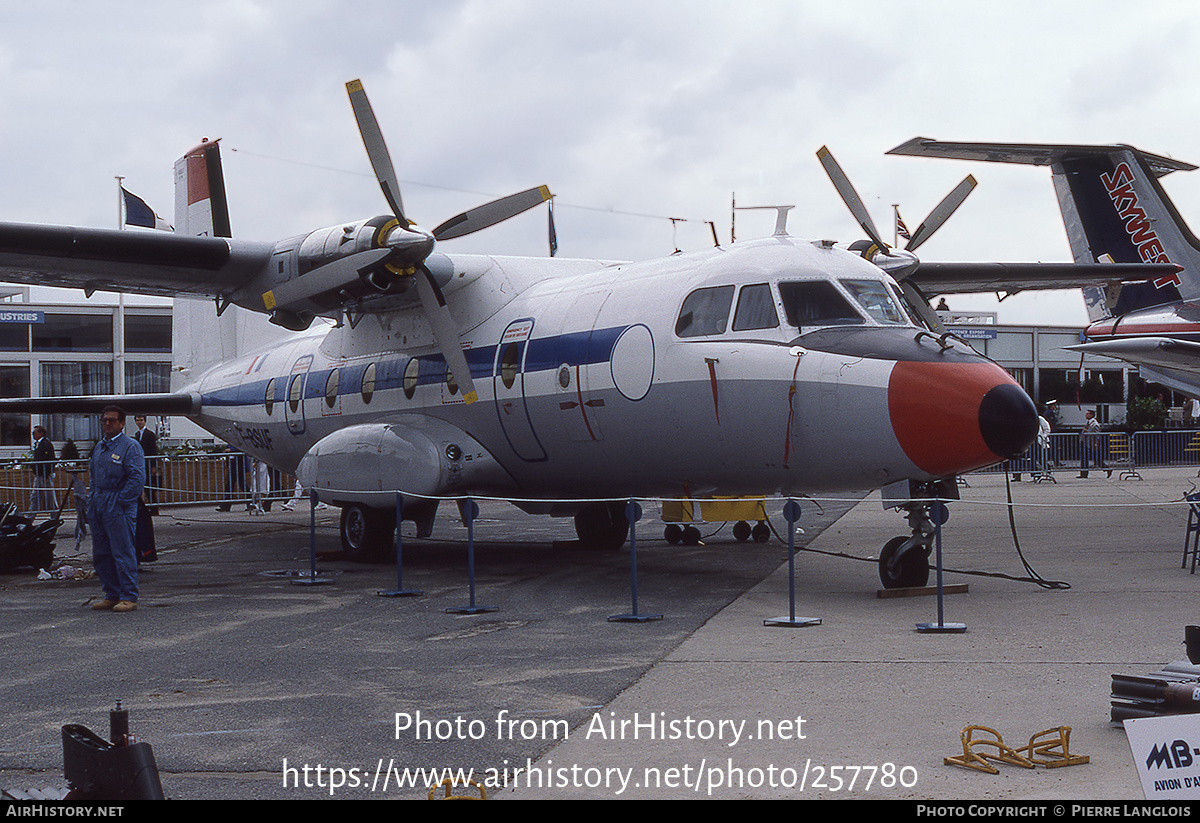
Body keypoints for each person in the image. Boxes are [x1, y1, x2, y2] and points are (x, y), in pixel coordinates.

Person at [88, 406, 144, 613]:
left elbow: (137, 479)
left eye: (112, 420)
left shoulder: (131, 446)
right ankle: (111, 594)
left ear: (122, 423)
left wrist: (120, 501)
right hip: (98, 503)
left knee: (122, 551)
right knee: (101, 553)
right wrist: (91, 499)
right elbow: (93, 475)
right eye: (104, 420)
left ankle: (129, 596)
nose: (107, 423)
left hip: (117, 504)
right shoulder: (100, 446)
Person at [133, 415, 159, 515]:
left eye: (141, 420)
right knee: (140, 486)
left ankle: (154, 509)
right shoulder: (137, 434)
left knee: (148, 487)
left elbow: (153, 450)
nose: (139, 422)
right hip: (140, 464)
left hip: (147, 464)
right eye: (137, 420)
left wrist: (153, 465)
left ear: (145, 421)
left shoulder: (150, 434)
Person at [29, 425, 56, 513]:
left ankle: (54, 517)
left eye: (34, 433)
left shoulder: (46, 444)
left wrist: (47, 475)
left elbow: (49, 459)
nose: (33, 435)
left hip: (44, 475)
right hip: (39, 474)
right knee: (35, 496)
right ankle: (30, 517)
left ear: (41, 433)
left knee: (49, 497)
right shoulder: (38, 444)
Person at [1079, 409, 1111, 479]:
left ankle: (1107, 468)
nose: (1085, 415)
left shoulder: (1095, 424)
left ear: (1091, 415)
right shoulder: (1089, 423)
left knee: (1096, 459)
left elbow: (1097, 434)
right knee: (1084, 458)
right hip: (1086, 442)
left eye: (1087, 414)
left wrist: (1088, 434)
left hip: (1092, 443)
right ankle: (1083, 474)